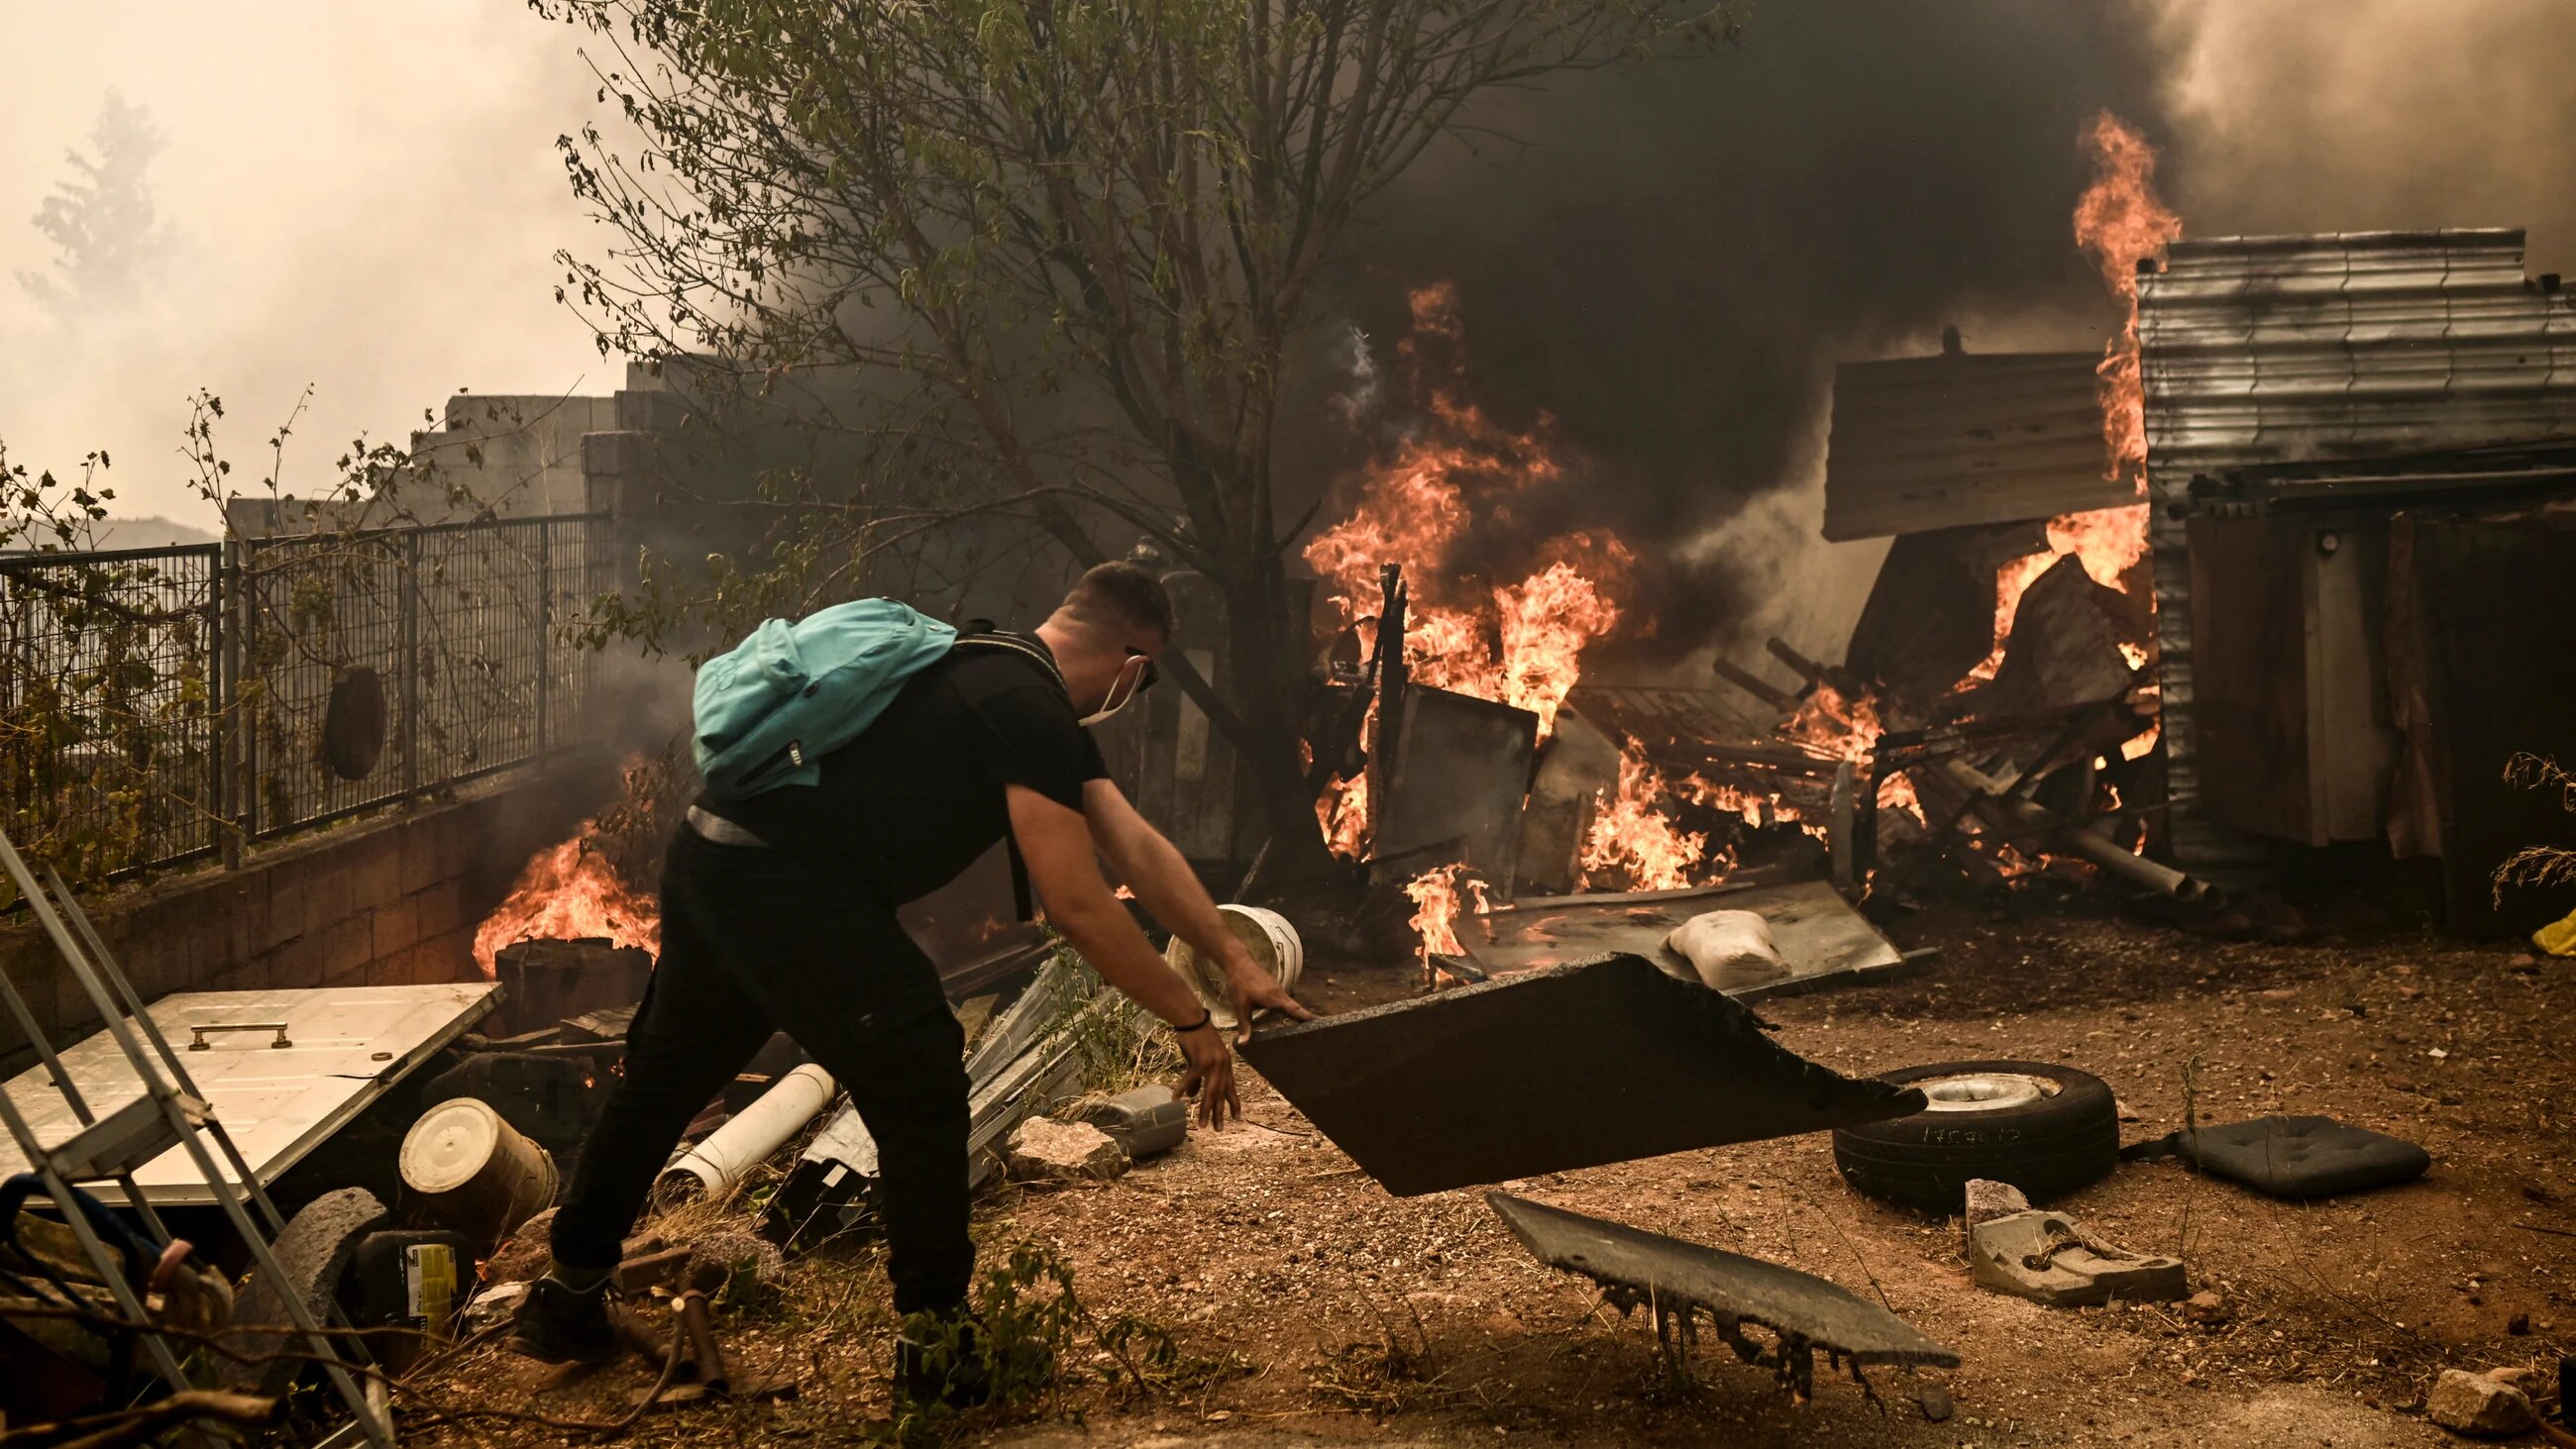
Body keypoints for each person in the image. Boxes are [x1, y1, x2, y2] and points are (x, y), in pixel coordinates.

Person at [508, 563, 1312, 1394]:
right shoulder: (1025, 708)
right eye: (1140, 686)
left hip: (712, 854)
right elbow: (1076, 900)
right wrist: (1189, 1017)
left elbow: (1135, 847)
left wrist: (1236, 957)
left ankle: (566, 1299)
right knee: (922, 1064)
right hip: (786, 886)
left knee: (664, 1081)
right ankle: (936, 1343)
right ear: (1133, 664)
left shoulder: (986, 663)